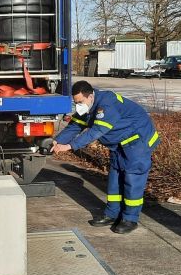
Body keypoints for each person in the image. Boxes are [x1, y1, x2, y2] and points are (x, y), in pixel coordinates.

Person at [53, 80, 159, 234]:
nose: (78, 106)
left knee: (132, 180)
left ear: (90, 97)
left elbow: (96, 131)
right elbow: (76, 125)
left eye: (80, 102)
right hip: (119, 144)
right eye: (76, 103)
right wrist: (57, 141)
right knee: (114, 179)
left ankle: (130, 219)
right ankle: (112, 214)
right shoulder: (89, 105)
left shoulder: (106, 105)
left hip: (138, 142)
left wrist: (70, 146)